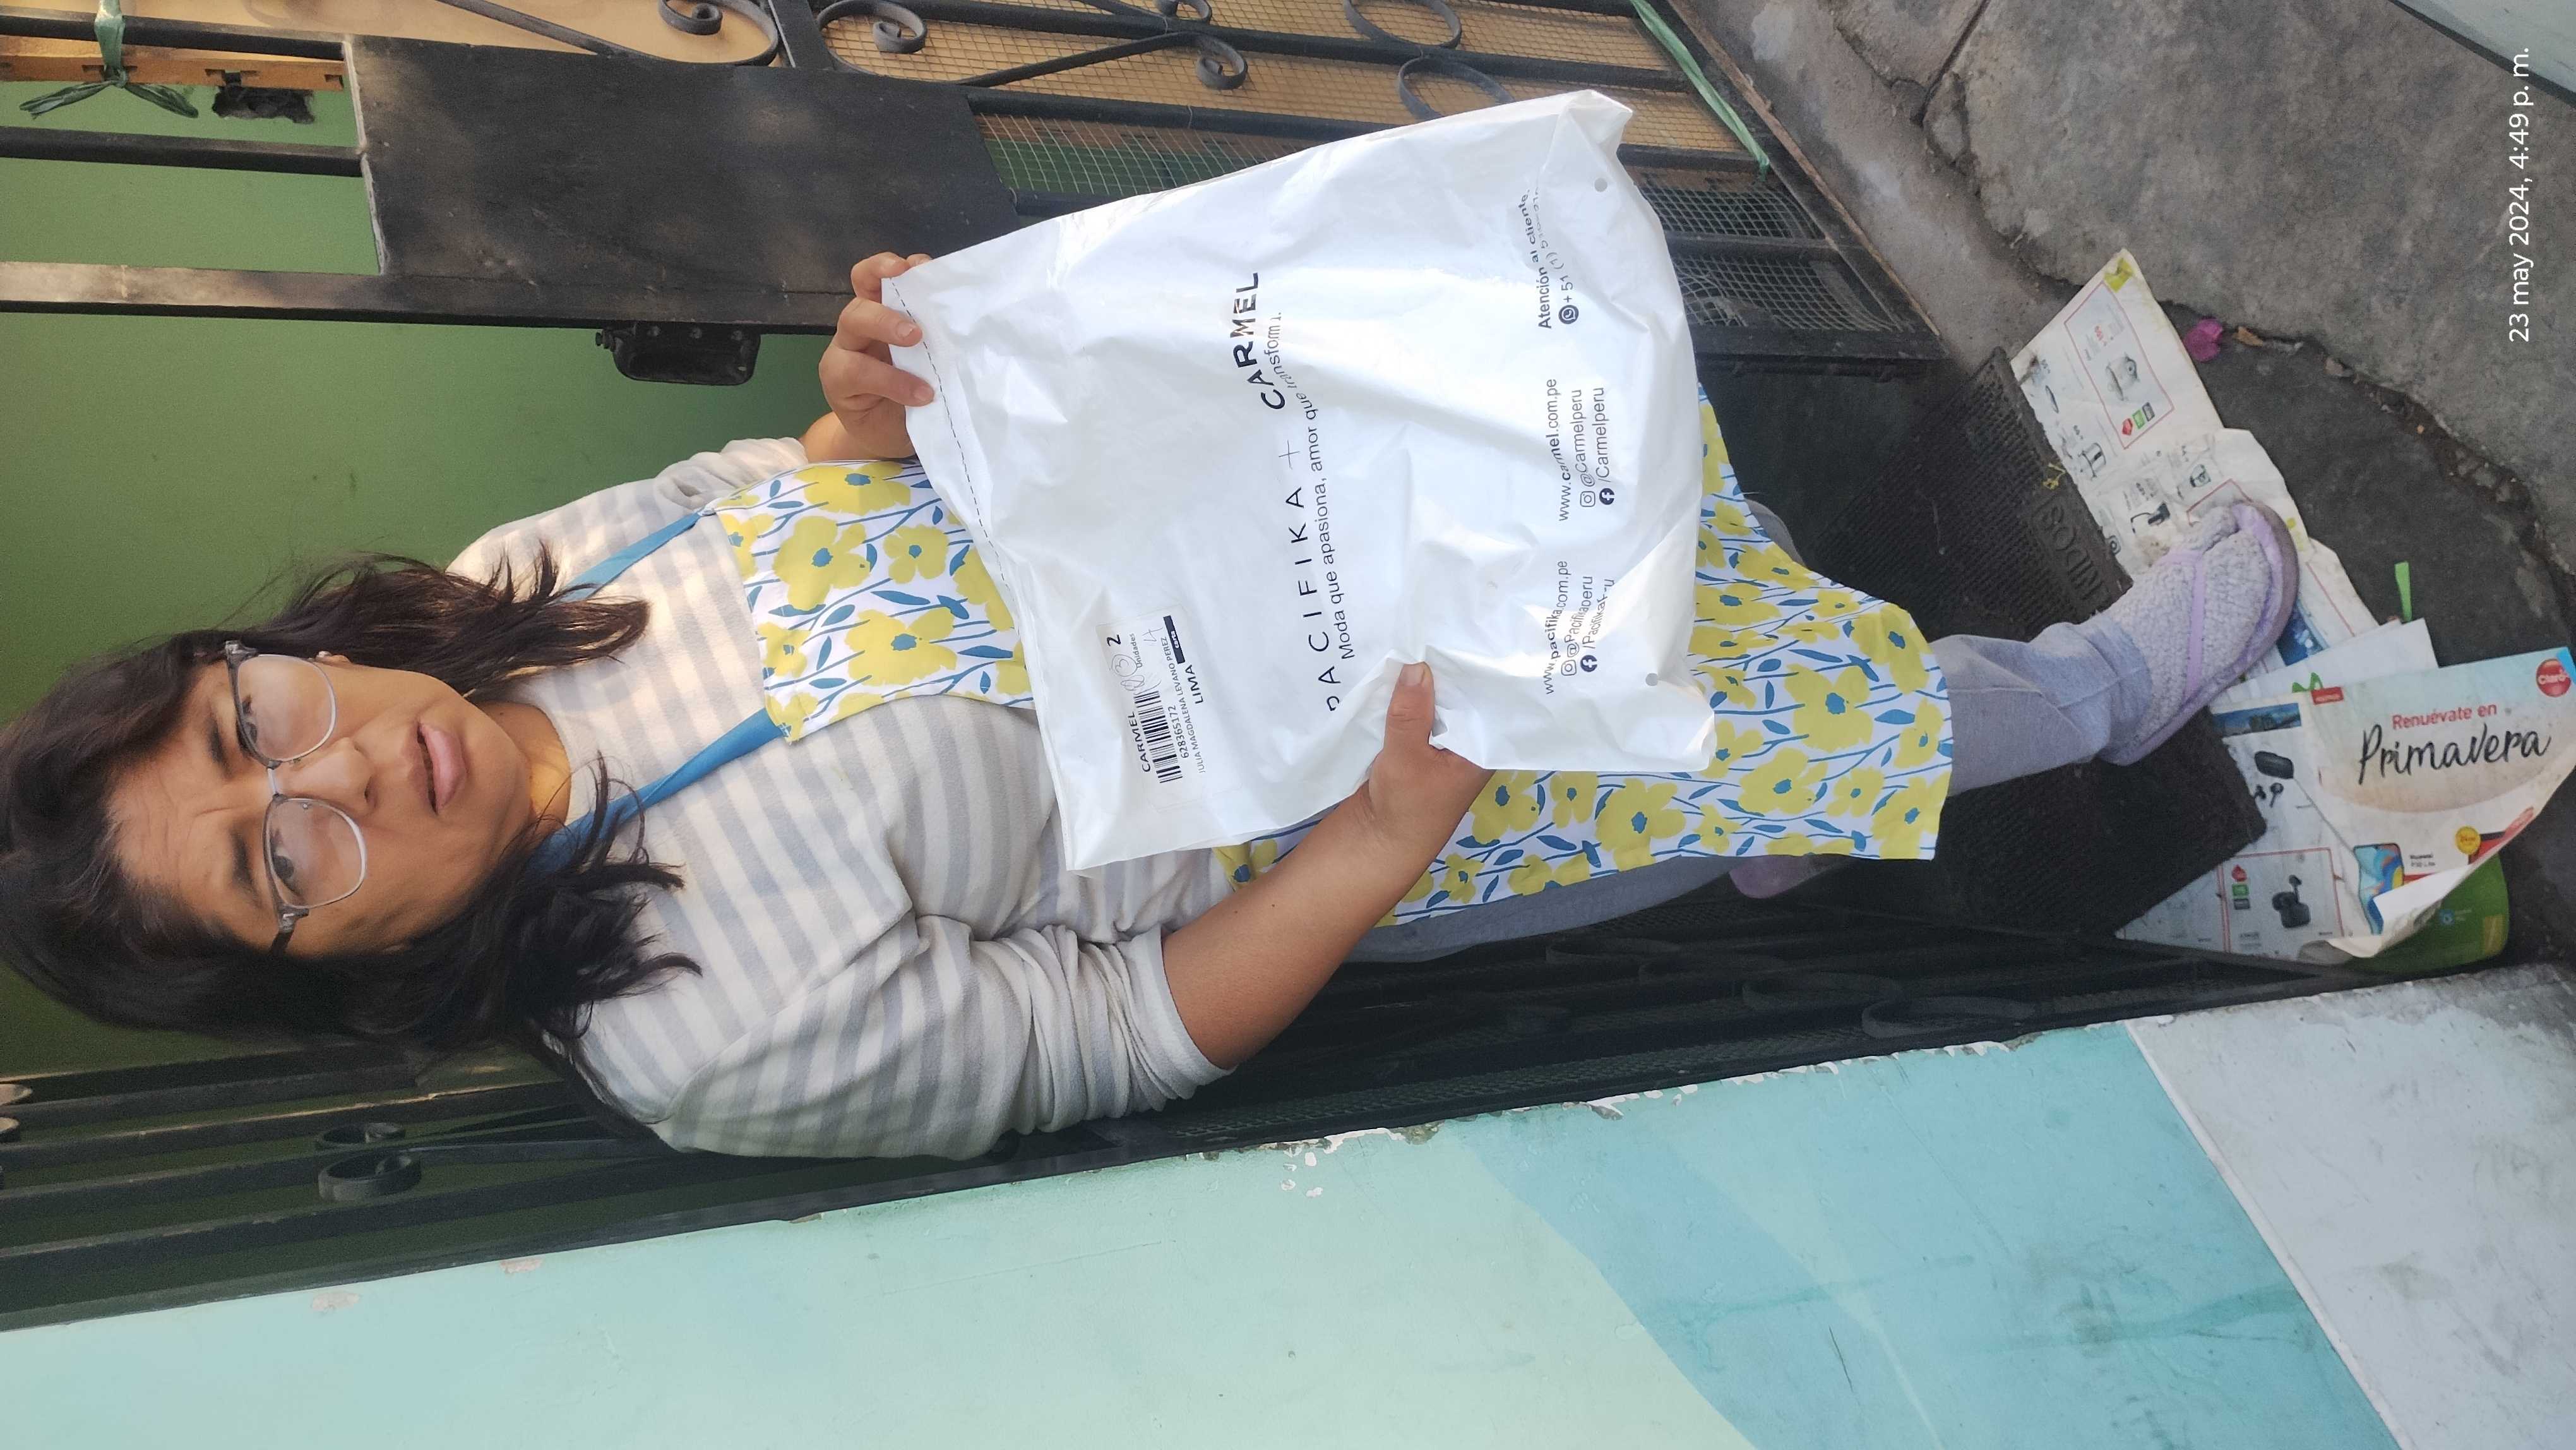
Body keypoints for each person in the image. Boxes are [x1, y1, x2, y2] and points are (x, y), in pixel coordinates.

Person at [0, 255, 2298, 1160]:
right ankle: (2100, 697)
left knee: (1676, 583)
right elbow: (1112, 1028)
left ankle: (1780, 823)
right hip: (1382, 803)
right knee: (1758, 728)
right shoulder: (696, 1035)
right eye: (278, 859)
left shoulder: (514, 589)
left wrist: (864, 402)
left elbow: (800, 495)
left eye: (246, 719)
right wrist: (1384, 837)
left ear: (248, 652)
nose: (332, 765)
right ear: (330, 967)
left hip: (1277, 547)